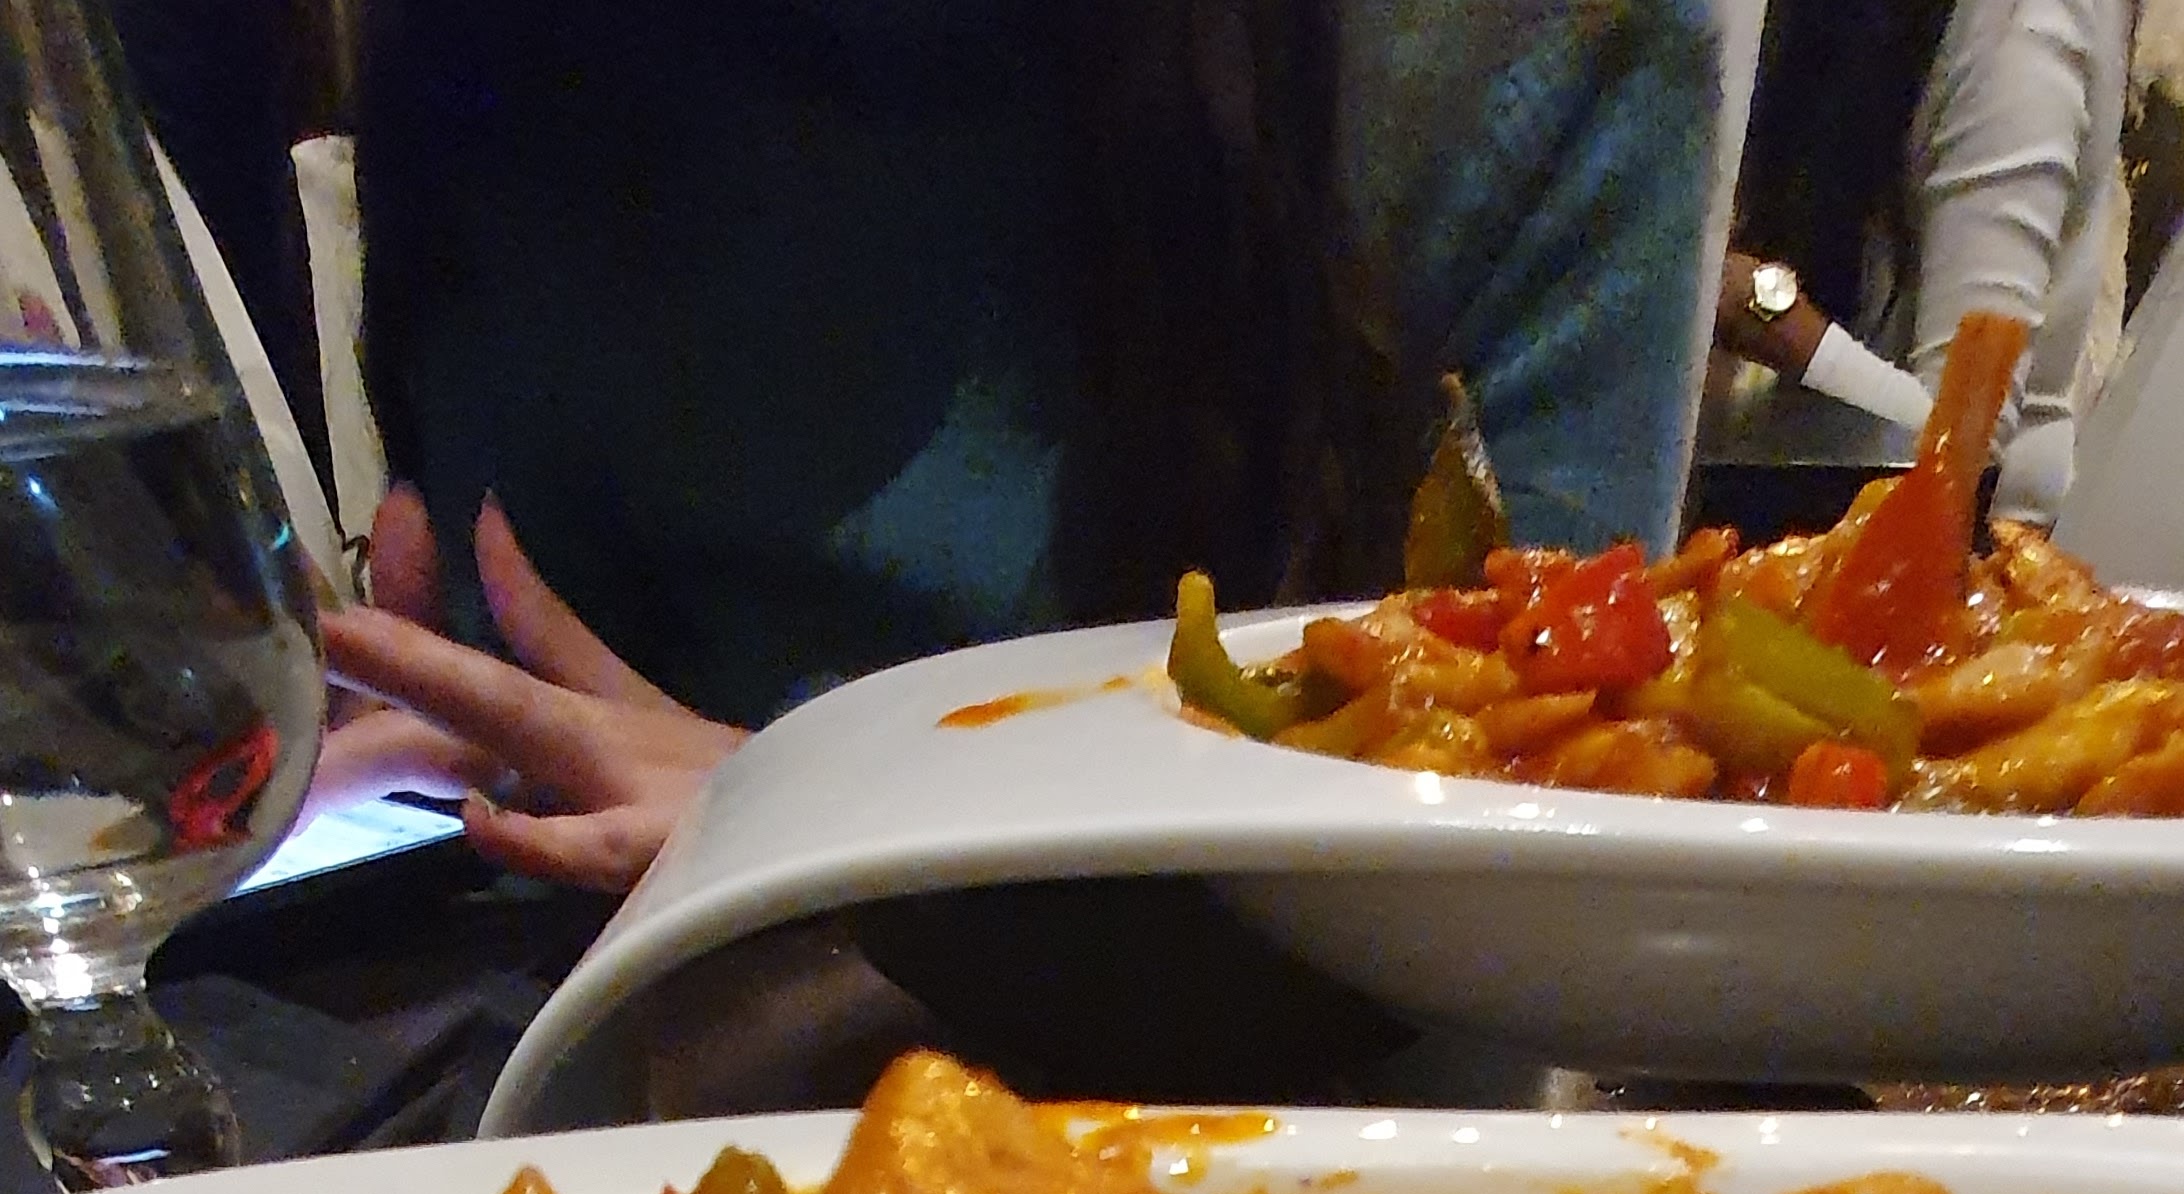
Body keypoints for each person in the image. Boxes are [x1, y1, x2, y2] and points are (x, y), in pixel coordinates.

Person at [318, 0, 1725, 895]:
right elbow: (539, 726)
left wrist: (815, 840)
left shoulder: (1516, 62)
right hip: (565, 1097)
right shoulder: (496, 63)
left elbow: (1546, 900)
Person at [1718, 0, 2135, 520]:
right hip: (1804, 503)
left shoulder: (2019, 32)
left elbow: (1967, 445)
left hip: (1950, 541)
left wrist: (1758, 309)